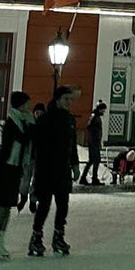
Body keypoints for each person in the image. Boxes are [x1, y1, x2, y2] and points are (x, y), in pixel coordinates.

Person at [28, 85, 79, 256]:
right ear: (57, 100)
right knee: (44, 205)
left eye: (70, 100)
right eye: (66, 99)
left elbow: (72, 146)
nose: (69, 103)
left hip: (63, 169)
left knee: (63, 204)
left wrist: (75, 164)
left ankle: (58, 236)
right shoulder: (45, 120)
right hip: (46, 169)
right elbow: (38, 146)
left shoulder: (70, 120)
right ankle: (36, 237)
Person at [0, 91, 33, 259]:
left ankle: (1, 241)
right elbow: (20, 139)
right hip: (4, 168)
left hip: (15, 168)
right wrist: (29, 124)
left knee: (8, 206)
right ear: (20, 105)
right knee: (0, 205)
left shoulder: (23, 122)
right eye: (27, 104)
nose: (30, 107)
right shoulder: (12, 124)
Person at [18, 102, 45, 210]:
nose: (38, 115)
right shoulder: (29, 124)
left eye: (41, 113)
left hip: (39, 158)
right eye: (37, 113)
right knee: (25, 179)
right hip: (29, 156)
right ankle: (23, 197)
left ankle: (33, 200)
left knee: (36, 181)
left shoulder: (45, 126)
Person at [80, 103, 106, 187]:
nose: (104, 111)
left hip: (94, 142)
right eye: (103, 109)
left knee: (92, 160)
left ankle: (84, 178)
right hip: (93, 143)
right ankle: (93, 178)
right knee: (96, 160)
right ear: (99, 109)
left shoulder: (95, 116)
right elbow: (90, 127)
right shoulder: (94, 117)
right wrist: (95, 140)